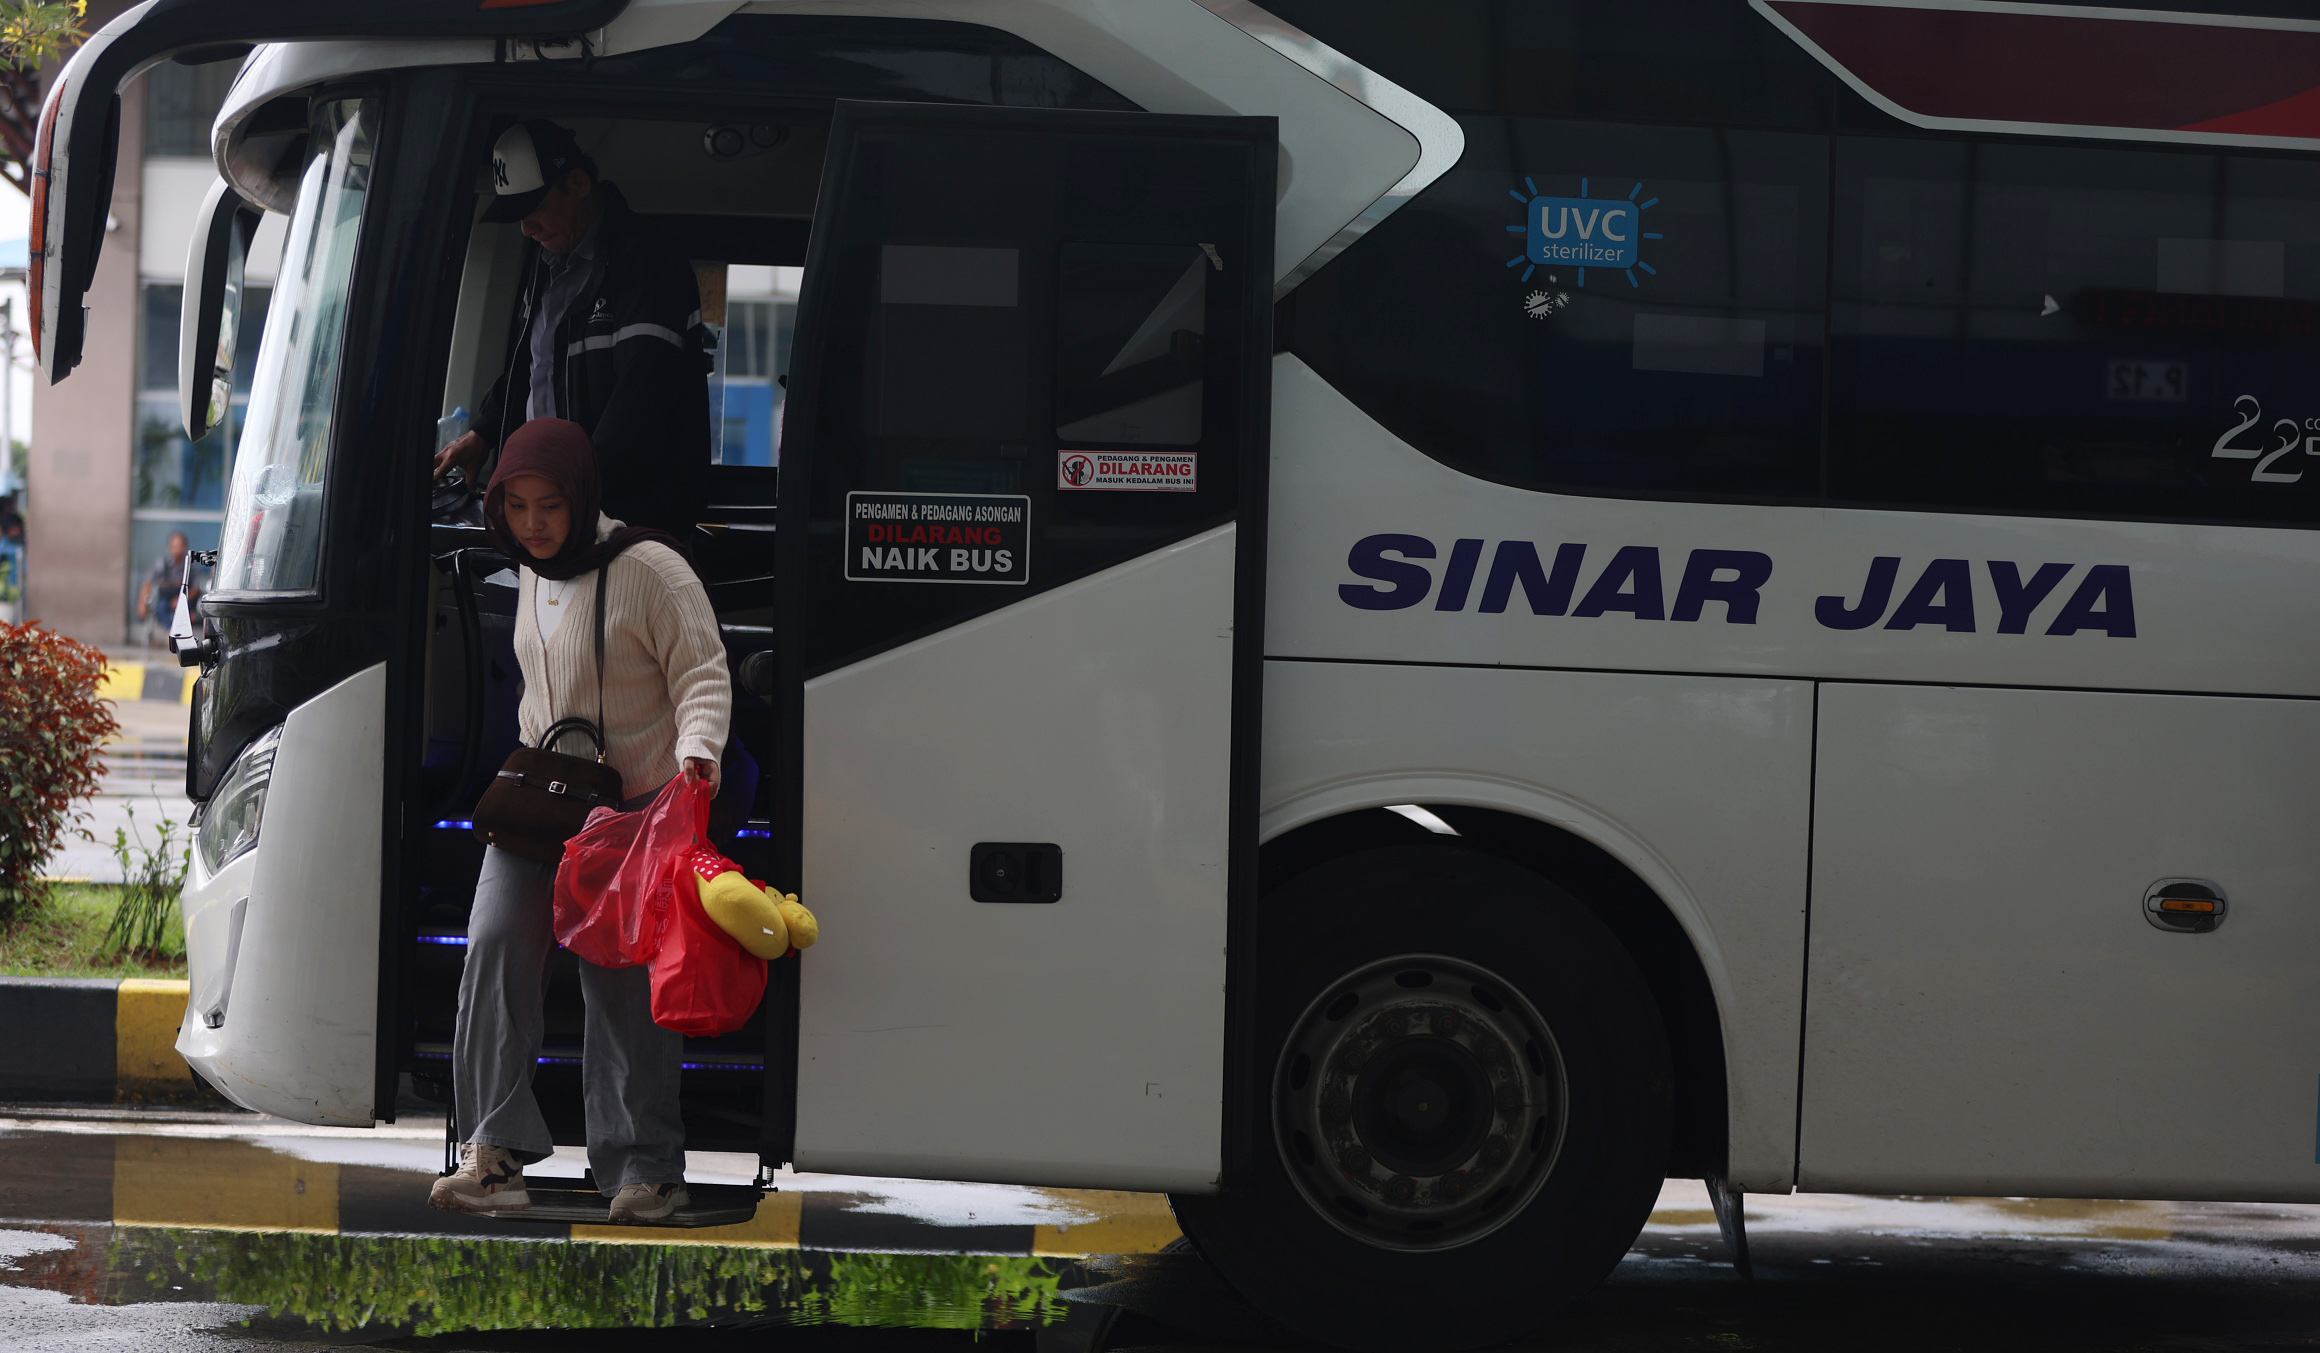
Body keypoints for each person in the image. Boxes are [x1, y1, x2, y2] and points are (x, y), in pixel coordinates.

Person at [429, 417, 731, 1224]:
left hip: (634, 811)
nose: (533, 522)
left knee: (624, 985)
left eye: (550, 505)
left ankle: (647, 1170)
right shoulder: (533, 568)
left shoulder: (651, 570)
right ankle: (495, 1155)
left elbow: (703, 671)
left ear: (582, 497)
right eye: (518, 505)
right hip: (549, 799)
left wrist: (697, 753)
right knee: (493, 945)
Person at [432, 120, 710, 537]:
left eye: (535, 209)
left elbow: (645, 393)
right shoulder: (545, 263)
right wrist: (486, 432)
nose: (526, 228)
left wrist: (572, 487)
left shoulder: (646, 260)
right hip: (559, 514)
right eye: (518, 216)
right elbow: (533, 365)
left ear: (578, 184)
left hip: (622, 520)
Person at [135, 531, 202, 650]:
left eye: (179, 546)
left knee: (185, 612)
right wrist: (142, 603)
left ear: (185, 547)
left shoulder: (190, 566)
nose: (177, 549)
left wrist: (181, 600)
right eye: (174, 546)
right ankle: (172, 633)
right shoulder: (162, 565)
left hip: (186, 599)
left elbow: (196, 588)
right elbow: (148, 582)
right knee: (161, 607)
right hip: (166, 598)